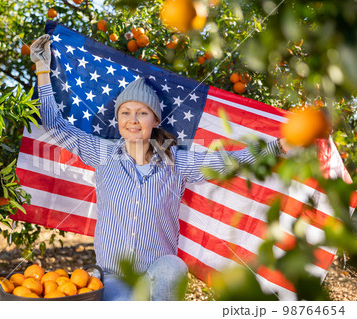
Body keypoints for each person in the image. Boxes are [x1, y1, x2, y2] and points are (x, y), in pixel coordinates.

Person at [30, 35, 290, 301]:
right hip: (113, 277)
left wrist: (277, 147)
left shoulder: (174, 161)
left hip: (158, 277)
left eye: (142, 113)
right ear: (117, 119)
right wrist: (42, 68)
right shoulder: (103, 153)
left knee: (173, 266)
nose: (133, 120)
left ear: (155, 119)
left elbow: (226, 163)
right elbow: (55, 125)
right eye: (125, 113)